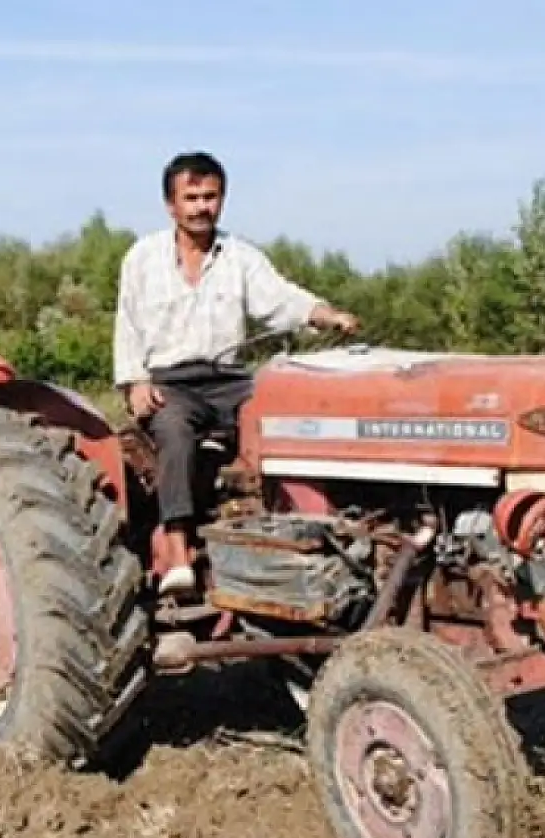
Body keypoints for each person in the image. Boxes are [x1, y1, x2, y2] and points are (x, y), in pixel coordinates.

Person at [113, 151, 360, 596]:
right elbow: (127, 324)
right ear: (171, 205)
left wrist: (325, 314)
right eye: (191, 198)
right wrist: (134, 382)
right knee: (173, 428)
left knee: (286, 411)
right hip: (171, 382)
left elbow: (280, 299)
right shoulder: (143, 258)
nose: (201, 207)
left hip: (229, 378)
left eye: (210, 197)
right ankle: (178, 552)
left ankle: (301, 526)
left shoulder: (240, 257)